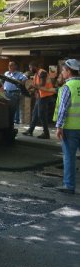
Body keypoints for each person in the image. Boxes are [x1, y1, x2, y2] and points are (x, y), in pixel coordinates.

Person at [53, 59, 80, 194]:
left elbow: (63, 108)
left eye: (63, 70)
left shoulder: (67, 87)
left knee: (69, 157)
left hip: (70, 129)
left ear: (69, 72)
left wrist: (59, 127)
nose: (62, 73)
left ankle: (69, 186)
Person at [23, 61, 55, 139]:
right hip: (40, 96)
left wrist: (32, 86)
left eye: (31, 67)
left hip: (45, 96)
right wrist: (32, 90)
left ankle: (46, 133)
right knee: (35, 114)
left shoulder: (42, 72)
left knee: (41, 114)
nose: (30, 69)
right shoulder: (36, 74)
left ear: (35, 66)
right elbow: (37, 87)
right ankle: (30, 130)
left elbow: (42, 84)